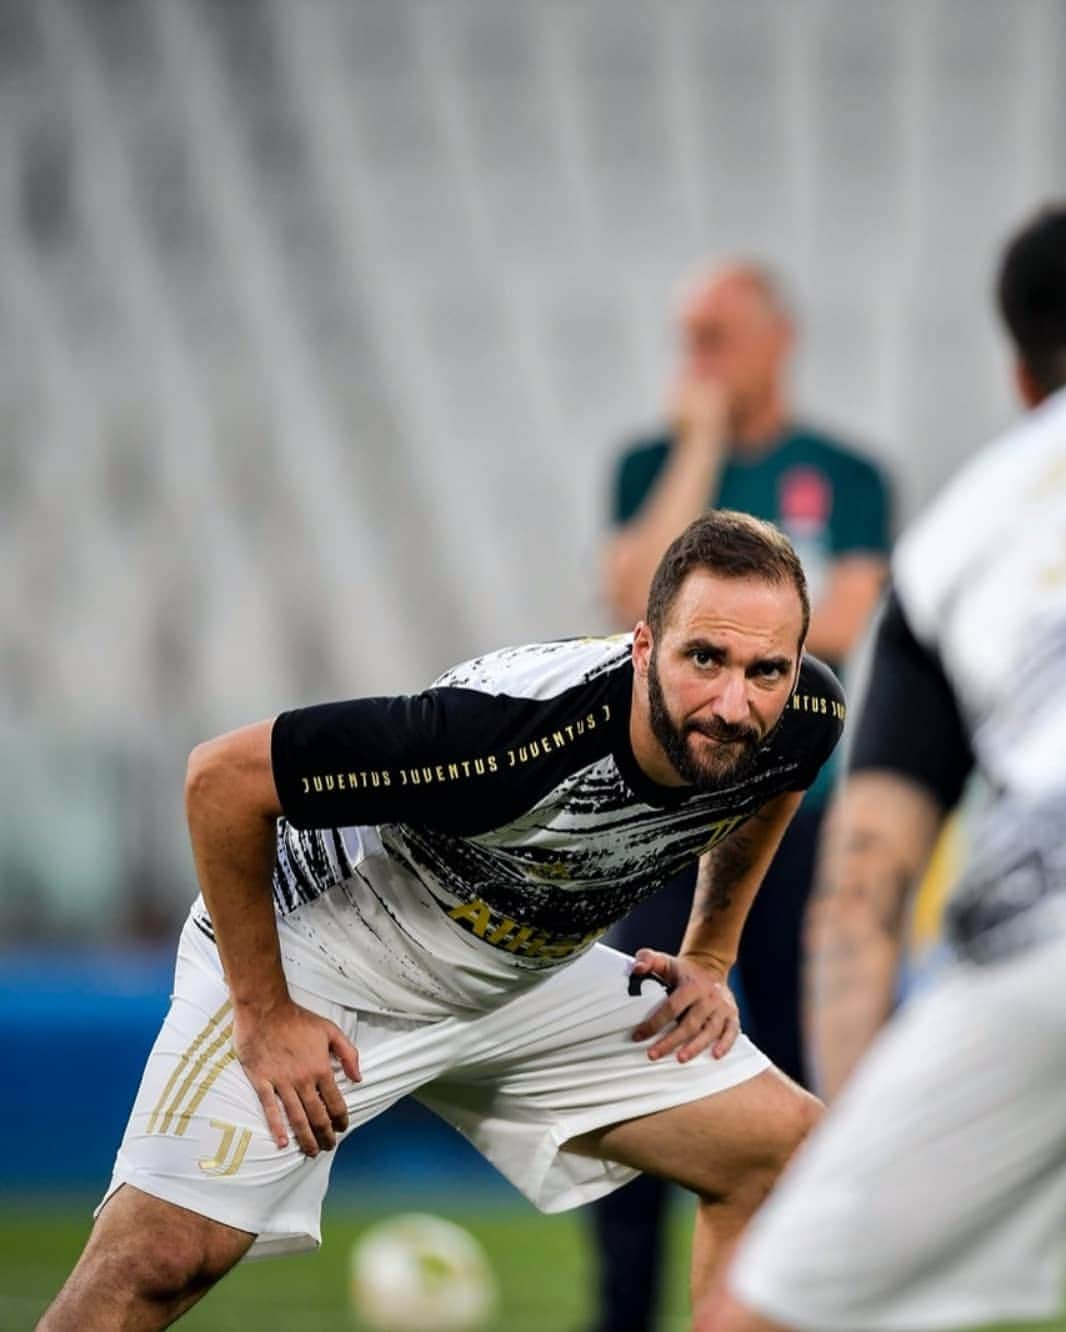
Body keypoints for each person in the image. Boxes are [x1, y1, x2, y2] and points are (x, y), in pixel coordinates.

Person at [40, 511, 844, 1331]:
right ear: (643, 648)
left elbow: (778, 779)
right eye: (703, 658)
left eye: (766, 671)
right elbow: (221, 780)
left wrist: (708, 953)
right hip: (323, 955)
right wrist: (264, 1009)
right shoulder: (505, 736)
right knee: (156, 1263)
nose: (733, 702)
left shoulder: (805, 711)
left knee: (781, 1152)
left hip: (521, 977)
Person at [701, 205, 1066, 1332]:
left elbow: (860, 899)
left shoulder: (962, 532)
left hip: (1044, 940)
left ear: (1017, 377)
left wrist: (849, 1144)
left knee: (758, 1316)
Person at [591, 263, 890, 1332]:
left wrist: (730, 637)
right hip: (662, 825)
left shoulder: (846, 473)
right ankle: (621, 1314)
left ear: (777, 337)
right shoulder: (649, 464)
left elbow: (846, 623)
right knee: (632, 1066)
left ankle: (810, 1304)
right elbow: (632, 603)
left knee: (810, 1075)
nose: (697, 358)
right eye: (687, 337)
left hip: (791, 824)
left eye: (716, 334)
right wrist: (699, 446)